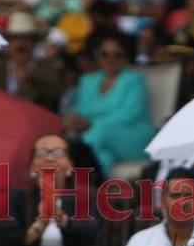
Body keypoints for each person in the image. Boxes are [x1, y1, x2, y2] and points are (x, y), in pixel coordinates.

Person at [65, 34, 155, 175]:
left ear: (126, 57)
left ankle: (86, 174)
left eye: (117, 54)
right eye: (105, 54)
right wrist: (74, 119)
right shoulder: (87, 81)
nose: (110, 59)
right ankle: (98, 182)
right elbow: (81, 111)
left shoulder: (134, 80)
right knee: (102, 152)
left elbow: (129, 114)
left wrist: (90, 123)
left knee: (99, 131)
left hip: (132, 135)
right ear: (97, 57)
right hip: (96, 137)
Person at [0, 11, 64, 111]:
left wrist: (32, 77)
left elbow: (54, 92)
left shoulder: (47, 68)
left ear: (34, 43)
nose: (21, 43)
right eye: (16, 38)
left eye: (26, 38)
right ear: (9, 42)